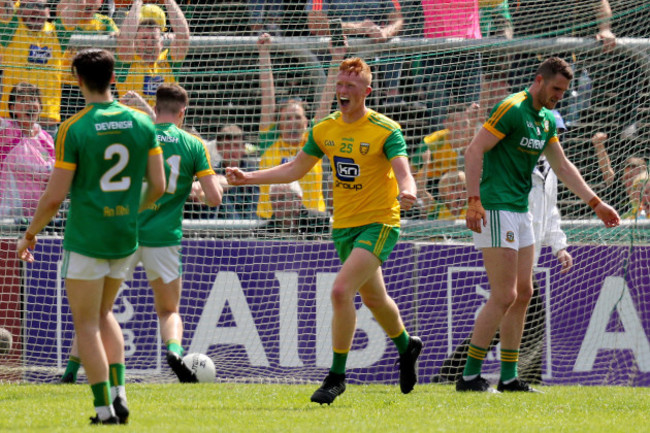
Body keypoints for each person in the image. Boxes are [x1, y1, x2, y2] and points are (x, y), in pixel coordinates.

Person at [226, 57, 423, 405]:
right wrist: (249, 176)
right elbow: (295, 170)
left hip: (380, 222)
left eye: (351, 86)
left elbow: (402, 168)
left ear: (367, 91)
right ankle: (407, 346)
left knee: (340, 291)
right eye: (340, 84)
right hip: (343, 226)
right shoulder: (325, 129)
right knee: (374, 298)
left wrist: (408, 188)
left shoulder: (384, 129)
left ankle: (336, 377)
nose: (343, 91)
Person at [16, 48, 166, 424]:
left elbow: (53, 197)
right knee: (103, 314)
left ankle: (104, 410)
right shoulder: (142, 123)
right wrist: (133, 211)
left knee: (86, 323)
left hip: (87, 237)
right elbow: (159, 185)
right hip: (125, 237)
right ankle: (120, 394)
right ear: (114, 78)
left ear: (77, 80)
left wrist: (30, 234)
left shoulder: (74, 127)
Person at [459, 56, 620, 393]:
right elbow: (474, 151)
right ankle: (469, 375)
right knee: (504, 294)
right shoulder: (512, 108)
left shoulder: (546, 119)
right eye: (556, 88)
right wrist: (473, 200)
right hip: (497, 206)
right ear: (539, 80)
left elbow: (562, 166)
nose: (559, 95)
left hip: (522, 210)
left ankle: (508, 377)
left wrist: (596, 202)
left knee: (525, 292)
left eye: (564, 91)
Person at [60, 83, 223, 385]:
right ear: (182, 114)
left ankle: (70, 371)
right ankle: (174, 352)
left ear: (155, 107)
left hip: (125, 233)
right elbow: (214, 199)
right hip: (164, 240)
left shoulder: (138, 135)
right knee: (169, 311)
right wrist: (193, 188)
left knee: (97, 310)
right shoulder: (193, 144)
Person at [256, 32, 340, 219]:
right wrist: (264, 53)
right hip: (270, 221)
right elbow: (267, 97)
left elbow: (326, 102)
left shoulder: (312, 141)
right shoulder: (269, 141)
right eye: (287, 118)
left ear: (306, 123)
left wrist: (336, 59)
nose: (292, 122)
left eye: (297, 118)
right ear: (278, 123)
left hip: (311, 221)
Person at [305, 0, 404, 103]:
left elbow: (397, 19)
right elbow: (315, 23)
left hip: (372, 50)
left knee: (395, 42)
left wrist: (385, 32)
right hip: (333, 54)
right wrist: (359, 28)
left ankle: (392, 99)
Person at [0, 0, 65, 135]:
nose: (35, 10)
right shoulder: (11, 28)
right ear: (19, 10)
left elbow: (76, 7)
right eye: (29, 5)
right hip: (12, 121)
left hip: (47, 122)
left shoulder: (58, 32)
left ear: (48, 11)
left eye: (41, 6)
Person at [115, 0, 190, 108]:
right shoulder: (127, 62)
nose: (149, 44)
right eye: (144, 40)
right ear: (134, 42)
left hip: (165, 124)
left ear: (162, 43)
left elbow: (183, 36)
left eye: (154, 40)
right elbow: (125, 38)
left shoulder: (168, 62)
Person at [56, 0, 120, 121]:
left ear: (100, 3)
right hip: (68, 87)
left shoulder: (105, 22)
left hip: (94, 86)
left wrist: (115, 36)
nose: (88, 3)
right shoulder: (69, 19)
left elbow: (117, 38)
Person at [0, 83, 55, 219]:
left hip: (39, 217)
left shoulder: (46, 139)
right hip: (7, 217)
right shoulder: (6, 132)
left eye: (33, 100)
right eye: (23, 100)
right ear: (13, 108)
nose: (30, 105)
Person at [210, 125, 259, 220]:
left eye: (236, 145)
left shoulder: (254, 173)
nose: (232, 151)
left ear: (243, 148)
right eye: (227, 146)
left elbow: (254, 208)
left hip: (250, 227)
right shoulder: (211, 175)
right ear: (218, 148)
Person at [254, 181, 331, 240]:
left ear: (298, 200)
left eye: (282, 198)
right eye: (273, 199)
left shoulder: (322, 222)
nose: (276, 204)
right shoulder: (263, 231)